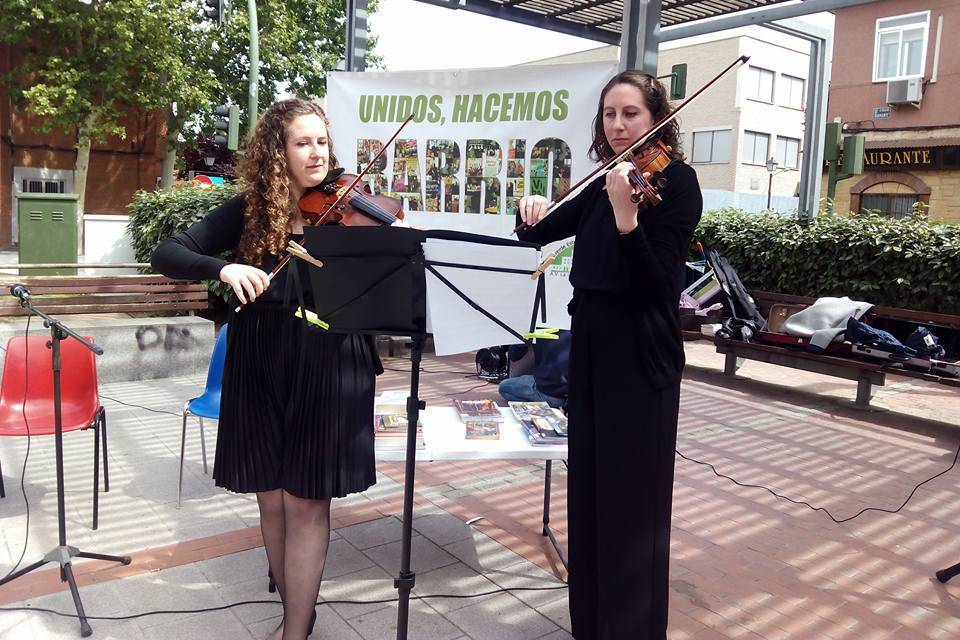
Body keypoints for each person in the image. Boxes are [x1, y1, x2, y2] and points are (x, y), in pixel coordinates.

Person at [151, 99, 381, 640]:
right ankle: (295, 610)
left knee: (304, 499)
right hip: (260, 357)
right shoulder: (250, 208)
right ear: (278, 152)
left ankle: (294, 630)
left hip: (328, 361)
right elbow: (169, 251)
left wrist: (394, 242)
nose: (317, 152)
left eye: (322, 141)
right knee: (271, 497)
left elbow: (383, 294)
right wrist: (224, 266)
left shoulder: (352, 209)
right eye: (303, 142)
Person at [516, 71, 703, 640]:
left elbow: (655, 284)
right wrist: (531, 206)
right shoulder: (603, 180)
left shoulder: (678, 183)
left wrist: (628, 219)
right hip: (592, 355)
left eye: (631, 114)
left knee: (632, 509)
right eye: (609, 115)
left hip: (640, 360)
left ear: (656, 118)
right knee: (592, 497)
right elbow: (538, 233)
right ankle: (591, 626)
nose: (618, 125)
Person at [498, 329, 571, 409]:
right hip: (576, 393)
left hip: (549, 391)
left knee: (504, 387)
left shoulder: (535, 324)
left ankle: (545, 405)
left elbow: (514, 356)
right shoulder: (578, 323)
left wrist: (522, 340)